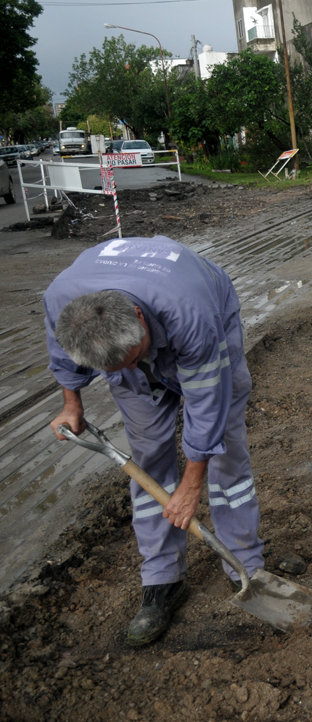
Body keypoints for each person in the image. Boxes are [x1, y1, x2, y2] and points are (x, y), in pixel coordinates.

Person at [44, 236, 265, 646]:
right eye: (117, 366)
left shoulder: (191, 312)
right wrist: (71, 403)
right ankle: (163, 579)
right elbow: (62, 357)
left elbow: (207, 401)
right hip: (136, 321)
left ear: (139, 318)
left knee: (226, 449)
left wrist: (191, 483)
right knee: (147, 456)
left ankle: (244, 565)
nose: (133, 368)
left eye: (134, 358)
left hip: (203, 315)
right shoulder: (61, 301)